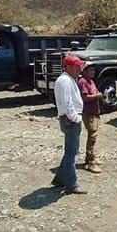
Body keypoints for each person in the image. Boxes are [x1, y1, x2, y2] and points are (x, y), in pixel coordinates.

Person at [51, 55, 88, 195]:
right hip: (71, 120)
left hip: (70, 119)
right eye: (77, 66)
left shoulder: (67, 79)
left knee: (70, 151)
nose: (80, 69)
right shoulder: (65, 81)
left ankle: (60, 179)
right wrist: (76, 118)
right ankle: (71, 185)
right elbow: (67, 104)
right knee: (71, 152)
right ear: (69, 67)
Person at [78, 62, 103, 173]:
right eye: (90, 70)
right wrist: (97, 96)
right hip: (88, 112)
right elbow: (85, 98)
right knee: (92, 135)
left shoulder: (91, 81)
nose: (93, 72)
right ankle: (90, 162)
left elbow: (95, 91)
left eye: (93, 69)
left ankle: (90, 157)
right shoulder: (83, 82)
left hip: (94, 111)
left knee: (93, 135)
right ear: (84, 71)